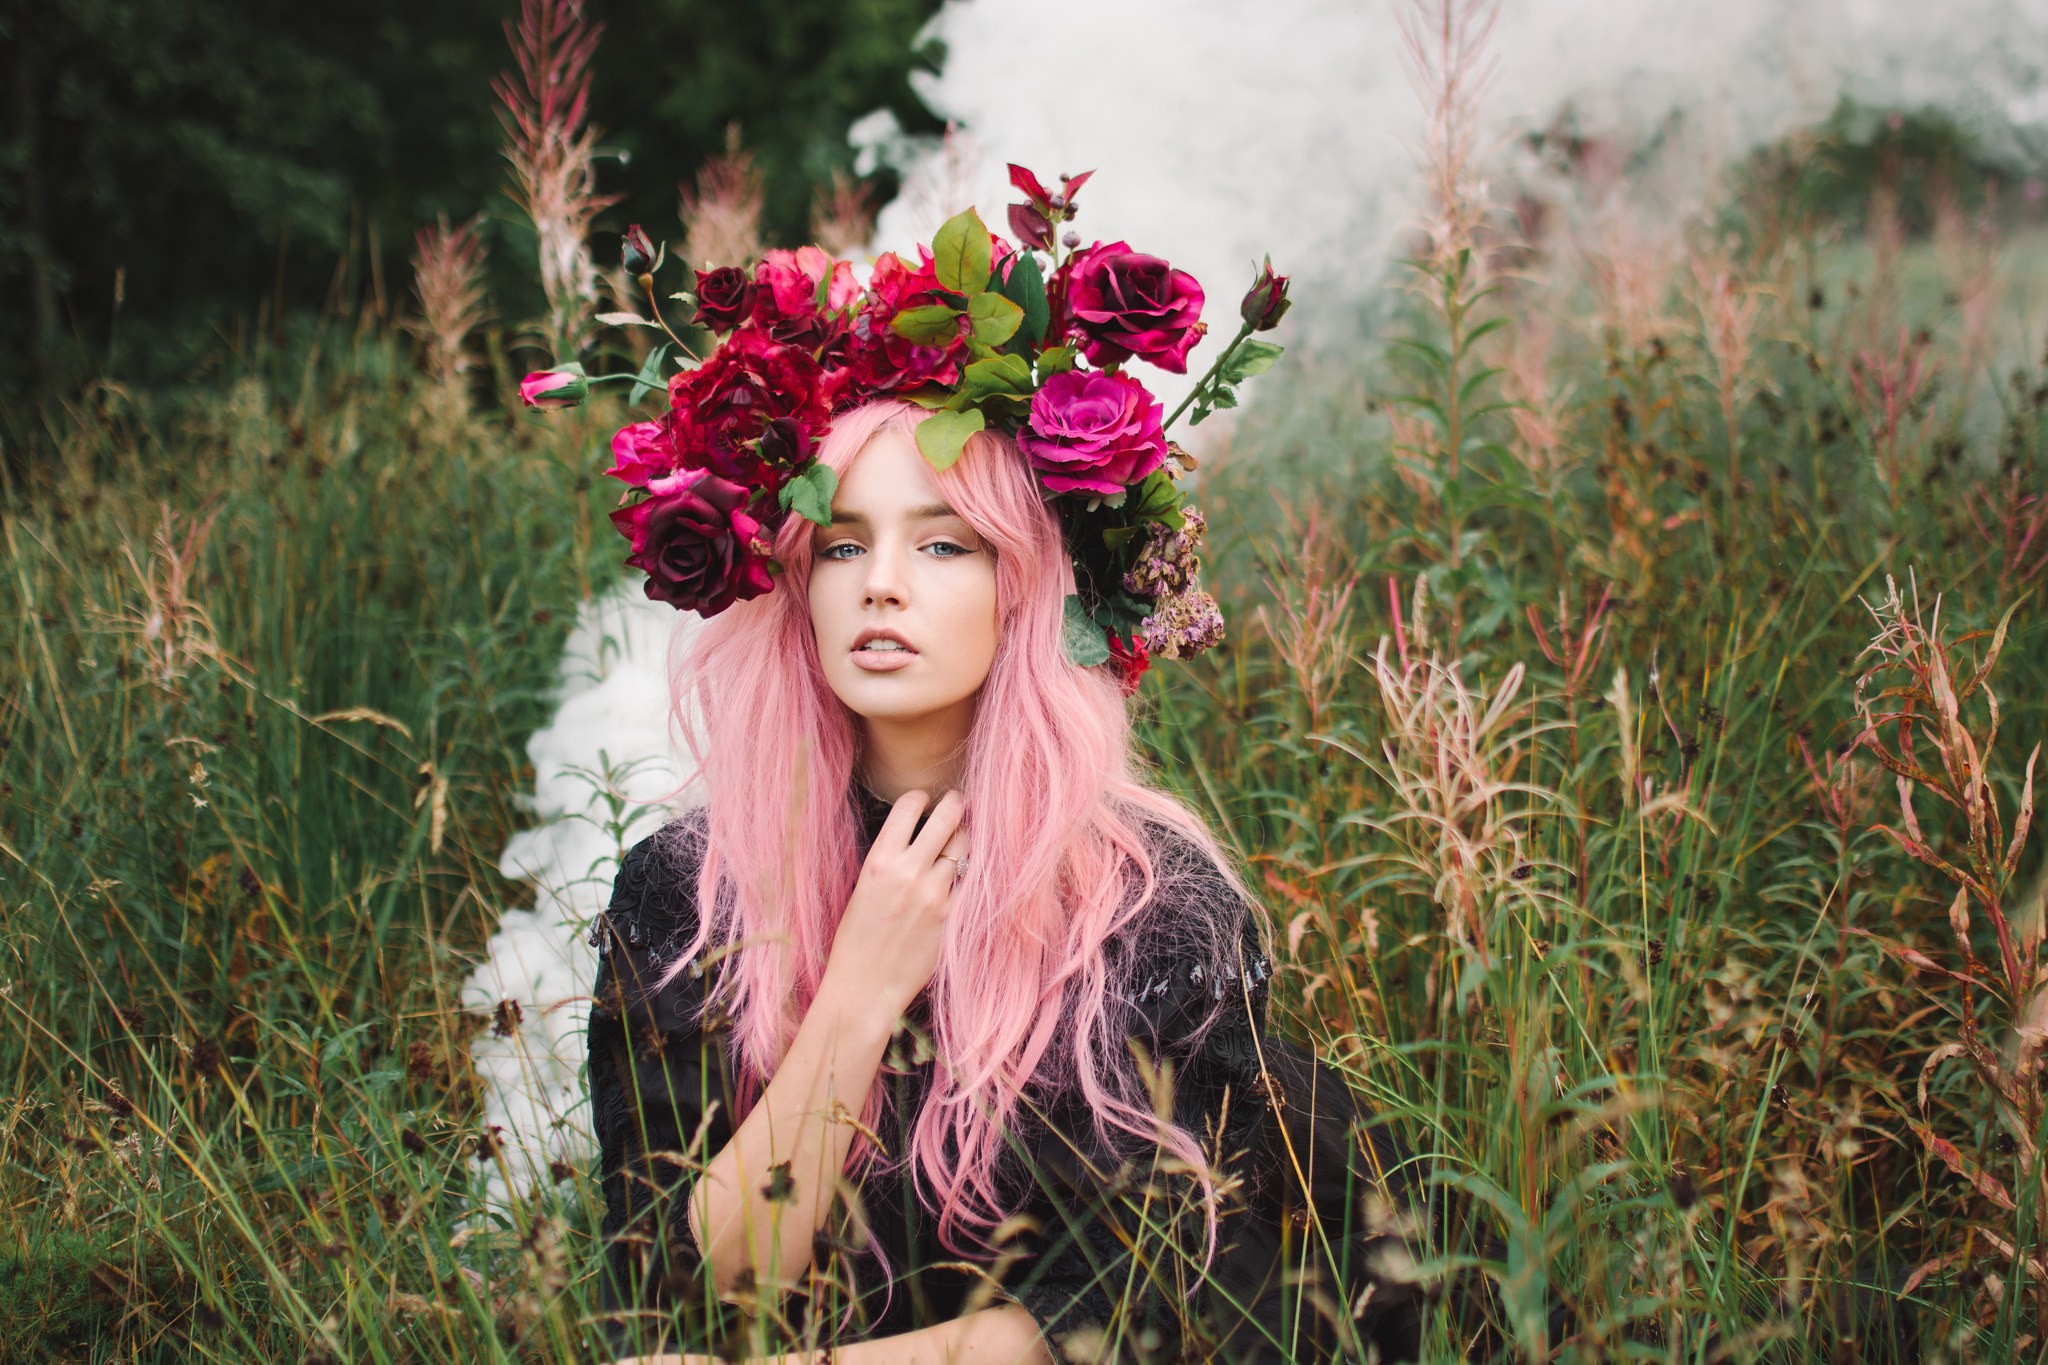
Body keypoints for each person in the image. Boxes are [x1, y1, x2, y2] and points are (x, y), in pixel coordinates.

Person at [547, 187, 1431, 1364]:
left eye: (944, 544)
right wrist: (859, 992)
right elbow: (685, 1288)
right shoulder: (687, 889)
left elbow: (1154, 1309)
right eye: (845, 544)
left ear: (1022, 587)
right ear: (795, 582)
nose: (881, 584)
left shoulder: (1142, 899)